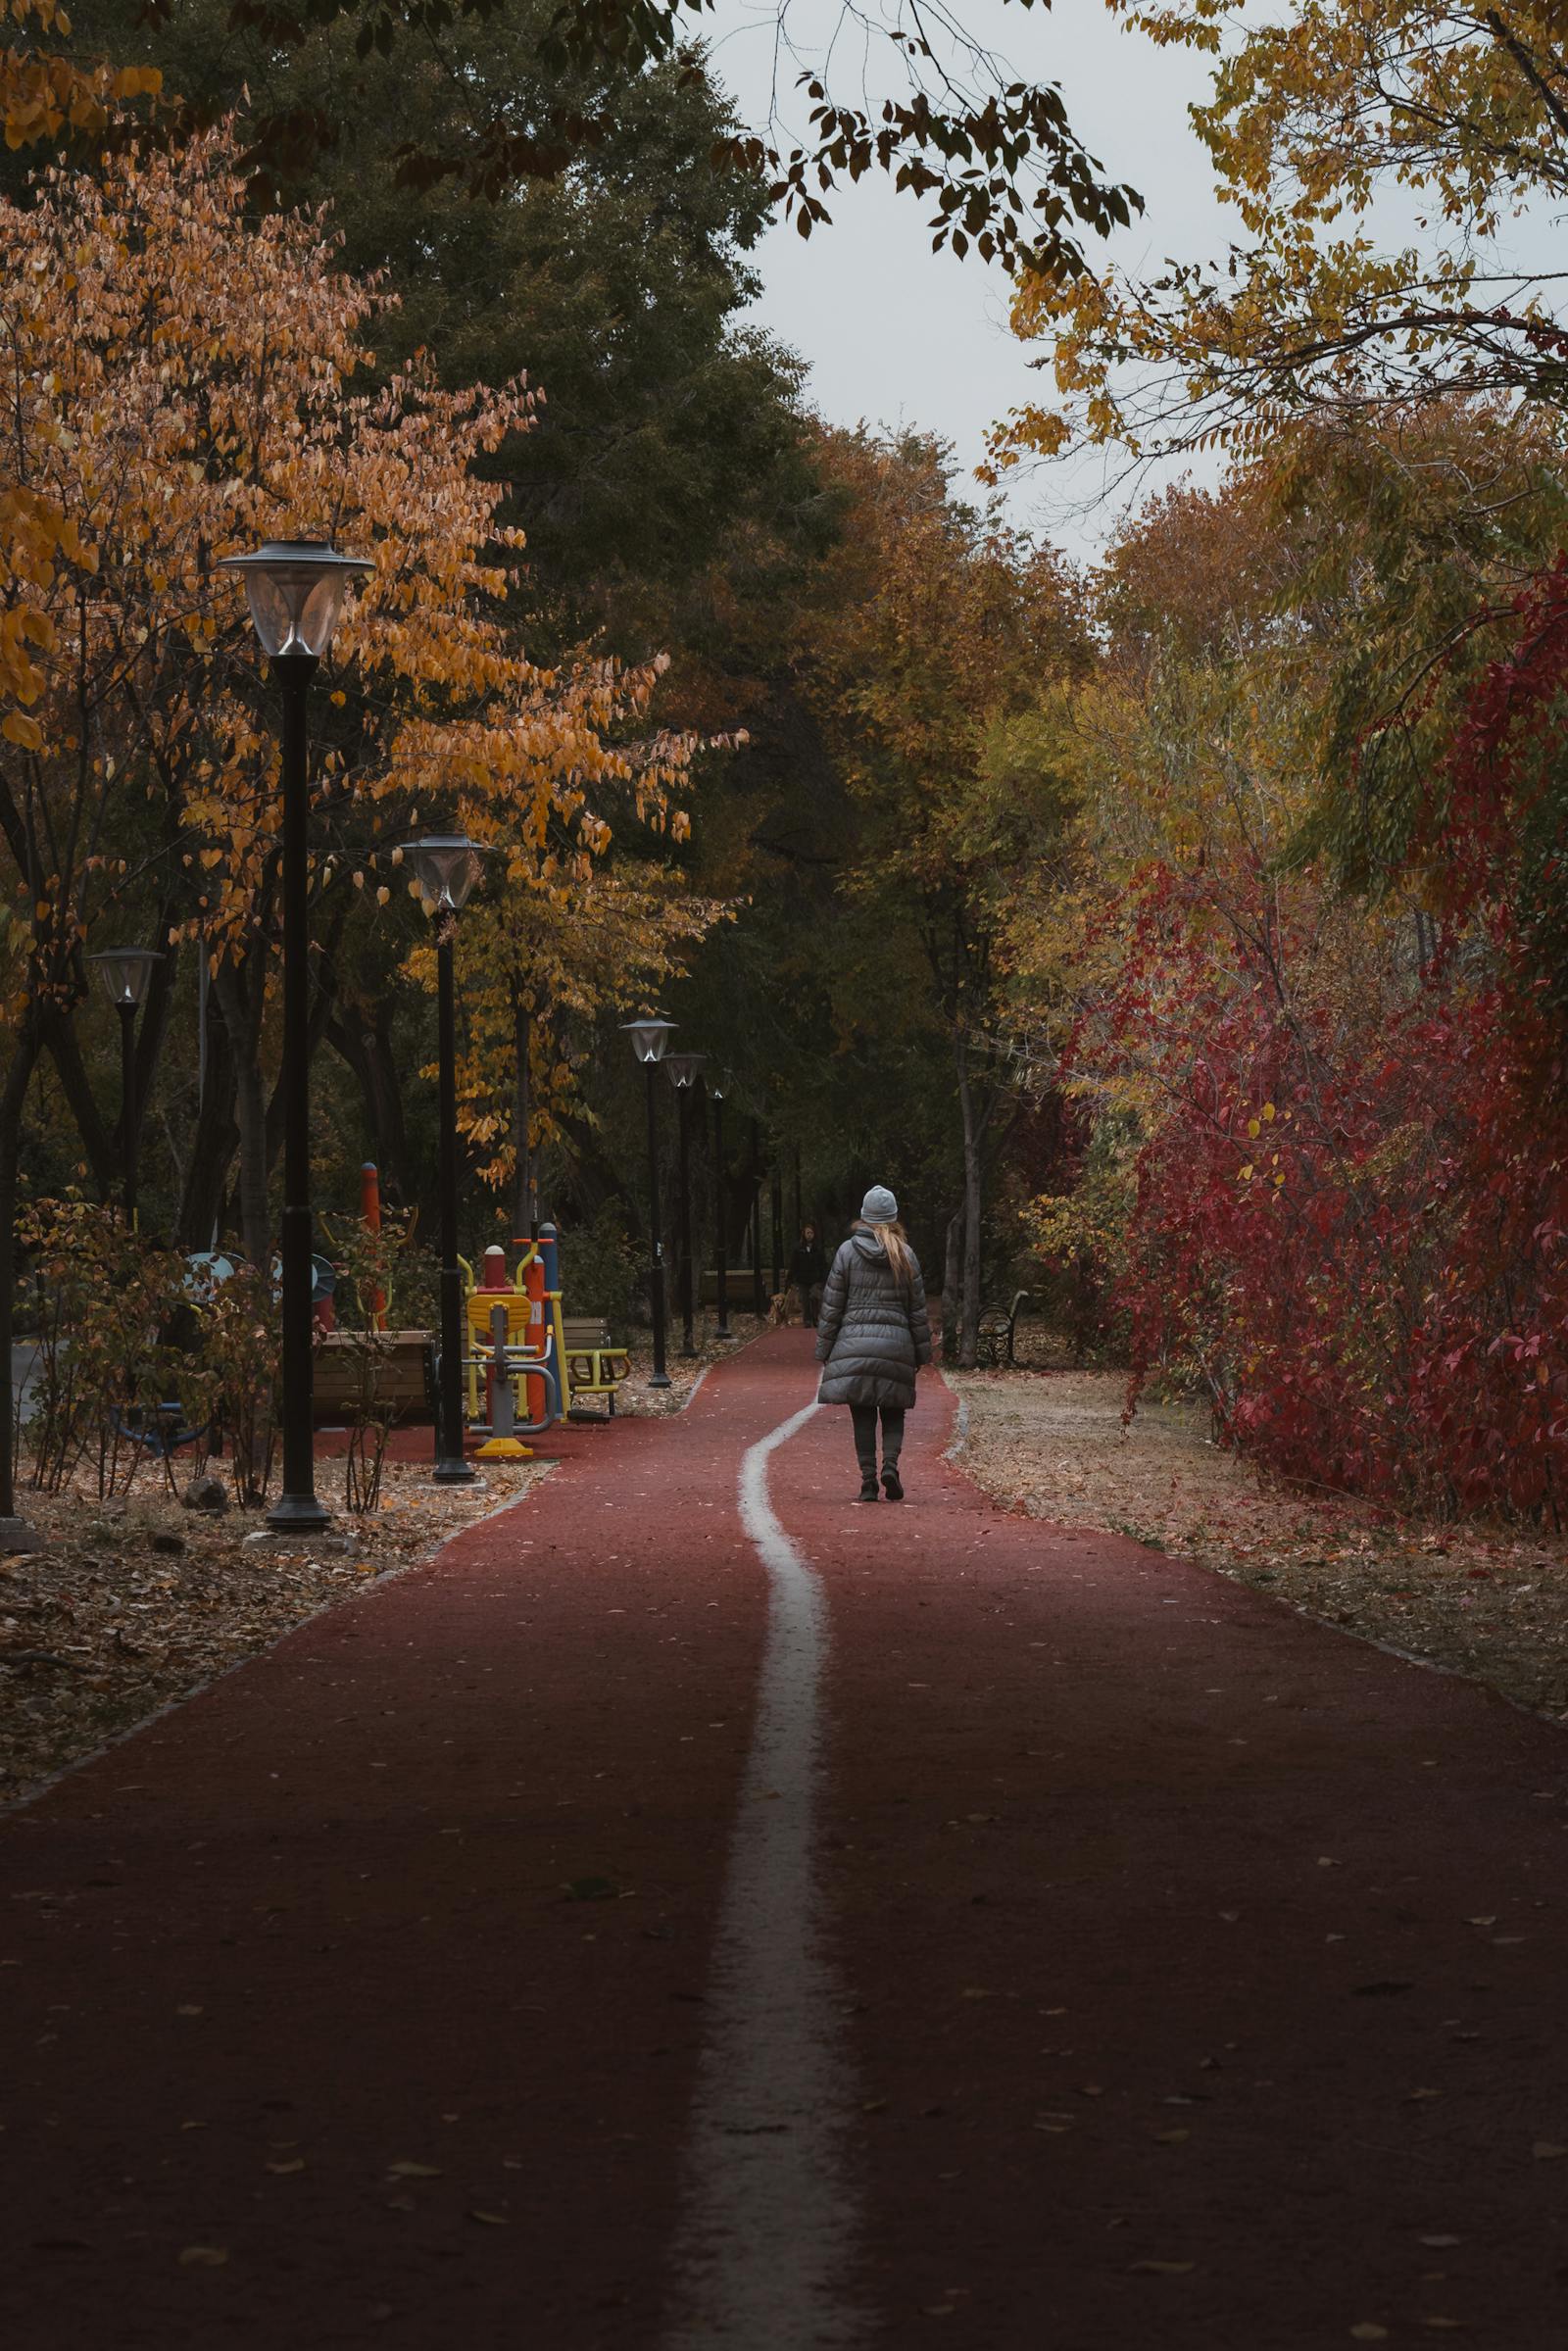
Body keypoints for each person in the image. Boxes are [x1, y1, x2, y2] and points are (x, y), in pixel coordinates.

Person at [815, 1185, 932, 1501]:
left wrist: (825, 1349)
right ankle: (890, 1466)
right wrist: (922, 1353)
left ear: (864, 1218)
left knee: (863, 1414)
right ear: (894, 1218)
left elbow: (832, 1306)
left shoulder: (846, 1253)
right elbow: (916, 1311)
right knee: (894, 1412)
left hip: (855, 1347)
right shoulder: (905, 1255)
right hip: (897, 1346)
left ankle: (868, 1480)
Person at [787, 1222, 828, 1328]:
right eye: (808, 1233)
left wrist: (824, 1277)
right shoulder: (798, 1248)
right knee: (805, 1300)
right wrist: (790, 1279)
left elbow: (823, 1263)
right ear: (804, 1234)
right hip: (802, 1278)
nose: (809, 1235)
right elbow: (793, 1264)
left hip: (815, 1278)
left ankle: (815, 1318)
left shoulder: (818, 1248)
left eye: (811, 1233)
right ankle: (807, 1320)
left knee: (815, 1297)